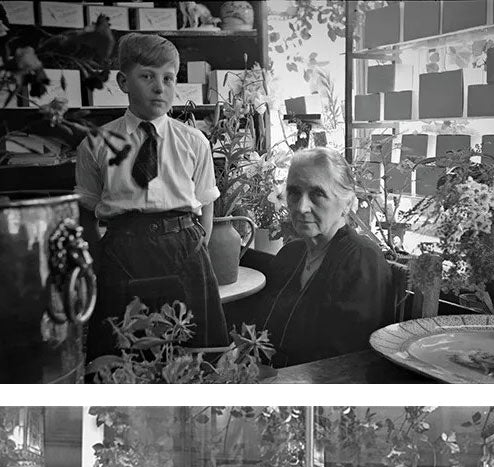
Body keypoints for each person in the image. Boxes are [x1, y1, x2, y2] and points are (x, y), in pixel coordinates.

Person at [75, 32, 228, 362]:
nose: (160, 87)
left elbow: (206, 203)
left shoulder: (194, 142)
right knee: (122, 351)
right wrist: (101, 257)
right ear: (123, 82)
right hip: (122, 250)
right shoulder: (96, 144)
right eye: (147, 77)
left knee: (193, 350)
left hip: (184, 247)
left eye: (168, 78)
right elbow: (87, 208)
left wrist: (197, 246)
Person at [227, 147, 396, 367]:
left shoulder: (362, 261)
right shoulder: (291, 254)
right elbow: (261, 328)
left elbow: (346, 360)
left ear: (347, 203)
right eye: (294, 192)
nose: (301, 207)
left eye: (317, 194)